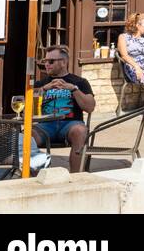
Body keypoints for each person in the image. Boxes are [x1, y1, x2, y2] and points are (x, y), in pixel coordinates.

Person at [32, 45, 97, 173]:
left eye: (51, 61)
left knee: (80, 131)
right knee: (26, 135)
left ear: (63, 62)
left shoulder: (80, 82)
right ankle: (33, 176)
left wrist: (73, 89)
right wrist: (44, 89)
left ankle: (76, 177)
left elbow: (90, 107)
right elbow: (30, 110)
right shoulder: (41, 84)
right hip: (45, 126)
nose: (47, 65)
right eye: (45, 61)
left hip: (70, 124)